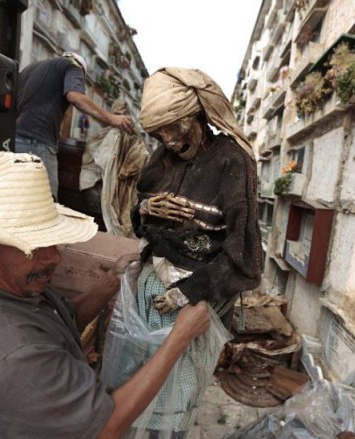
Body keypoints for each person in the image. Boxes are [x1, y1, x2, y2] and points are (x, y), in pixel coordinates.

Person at [0, 151, 210, 439]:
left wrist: (110, 283)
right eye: (33, 247)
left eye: (53, 241)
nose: (54, 258)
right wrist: (178, 338)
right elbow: (108, 427)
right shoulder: (12, 355)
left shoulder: (0, 290)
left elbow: (61, 319)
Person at [106, 67, 263, 436]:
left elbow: (246, 260)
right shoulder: (161, 157)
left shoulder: (232, 161)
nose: (168, 140)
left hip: (193, 303)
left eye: (174, 127)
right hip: (149, 293)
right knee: (137, 382)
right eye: (158, 133)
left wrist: (186, 293)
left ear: (196, 116)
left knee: (175, 394)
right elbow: (139, 224)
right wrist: (145, 209)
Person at [15, 52, 133, 198]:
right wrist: (111, 118)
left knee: (17, 199)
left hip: (14, 139)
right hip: (37, 143)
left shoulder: (31, 68)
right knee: (47, 204)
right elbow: (75, 96)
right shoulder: (73, 66)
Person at [80, 99, 149, 238]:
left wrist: (123, 172)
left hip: (122, 188)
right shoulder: (104, 136)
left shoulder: (131, 137)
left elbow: (138, 160)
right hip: (104, 188)